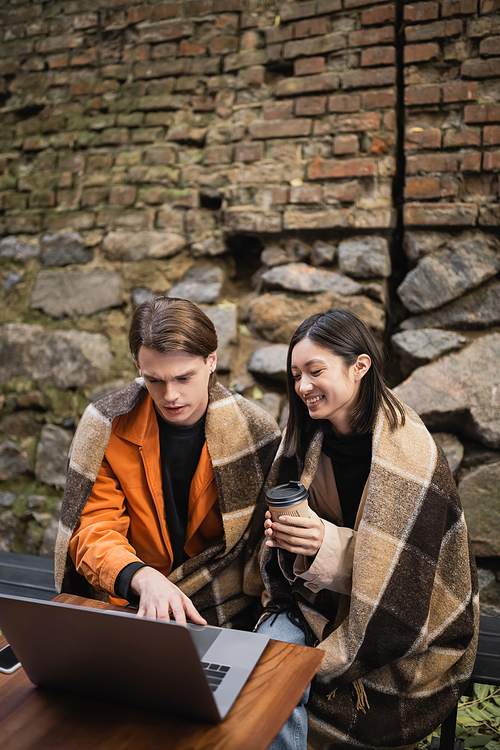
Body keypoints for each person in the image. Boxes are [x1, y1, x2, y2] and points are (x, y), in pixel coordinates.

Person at [244, 308, 478, 749]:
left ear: (360, 365)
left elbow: (410, 580)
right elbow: (276, 560)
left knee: (283, 681)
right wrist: (287, 545)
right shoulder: (305, 440)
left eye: (315, 371)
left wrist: (323, 544)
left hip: (407, 629)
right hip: (313, 604)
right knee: (261, 679)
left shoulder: (408, 454)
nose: (302, 387)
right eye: (296, 374)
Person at [54, 293, 281, 627]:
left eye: (184, 377)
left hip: (226, 606)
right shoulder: (106, 425)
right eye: (154, 380)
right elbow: (93, 528)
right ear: (138, 368)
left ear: (212, 361)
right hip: (129, 596)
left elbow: (263, 548)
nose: (170, 395)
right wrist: (141, 577)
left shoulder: (255, 431)